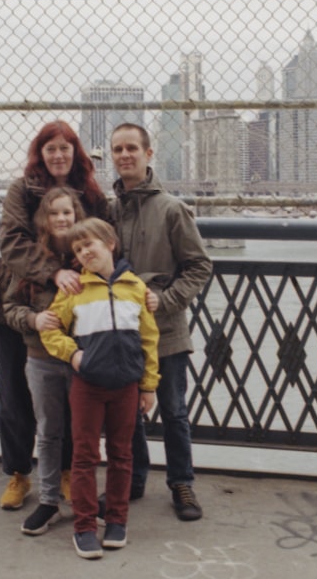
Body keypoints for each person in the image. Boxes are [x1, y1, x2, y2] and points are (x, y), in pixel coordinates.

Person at [0, 121, 109, 511]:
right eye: (50, 148)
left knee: (70, 393)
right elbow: (11, 242)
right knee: (15, 396)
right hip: (19, 300)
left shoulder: (90, 193)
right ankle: (19, 475)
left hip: (73, 306)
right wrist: (54, 271)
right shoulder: (22, 190)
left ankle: (68, 472)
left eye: (65, 148)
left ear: (76, 153)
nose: (58, 155)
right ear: (40, 153)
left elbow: (102, 237)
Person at [39, 218, 160, 560]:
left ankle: (118, 520)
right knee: (85, 456)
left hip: (126, 386)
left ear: (110, 243)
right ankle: (84, 526)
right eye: (77, 250)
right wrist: (74, 355)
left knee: (122, 455)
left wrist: (148, 386)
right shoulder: (74, 289)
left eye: (89, 244)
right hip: (88, 385)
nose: (84, 252)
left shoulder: (135, 288)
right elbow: (51, 330)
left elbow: (149, 340)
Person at [109, 122, 212, 522]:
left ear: (149, 154)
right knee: (127, 411)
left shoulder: (172, 209)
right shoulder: (109, 211)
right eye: (117, 150)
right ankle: (133, 480)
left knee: (173, 410)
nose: (124, 156)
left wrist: (165, 301)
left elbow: (200, 266)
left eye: (132, 148)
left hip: (165, 330)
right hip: (121, 332)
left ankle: (182, 484)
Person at [2, 186, 84, 535]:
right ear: (44, 220)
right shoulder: (30, 260)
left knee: (84, 431)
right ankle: (49, 501)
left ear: (78, 216)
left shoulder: (88, 254)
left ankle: (83, 499)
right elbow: (9, 308)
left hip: (83, 359)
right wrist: (33, 320)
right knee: (49, 431)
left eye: (68, 212)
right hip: (41, 357)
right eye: (54, 213)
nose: (62, 219)